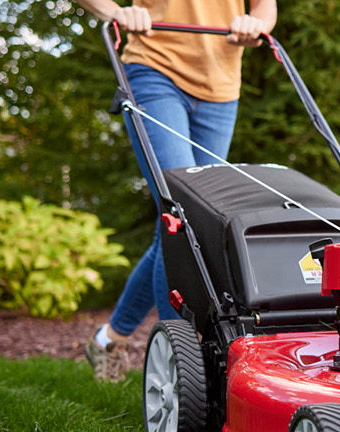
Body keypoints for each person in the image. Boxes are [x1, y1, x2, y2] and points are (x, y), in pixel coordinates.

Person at [75, 0, 277, 381]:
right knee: (179, 215)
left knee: (187, 223)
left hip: (221, 87)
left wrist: (255, 24)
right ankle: (182, 366)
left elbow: (267, 9)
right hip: (154, 67)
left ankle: (108, 339)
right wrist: (115, 12)